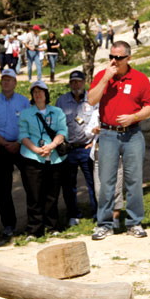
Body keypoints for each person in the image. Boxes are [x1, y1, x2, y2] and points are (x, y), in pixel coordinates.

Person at [88, 41, 150, 240]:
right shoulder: (103, 76)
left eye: (118, 57)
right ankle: (105, 224)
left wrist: (134, 117)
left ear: (128, 58)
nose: (114, 61)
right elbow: (91, 100)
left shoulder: (139, 78)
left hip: (132, 133)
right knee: (106, 181)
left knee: (133, 180)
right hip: (108, 134)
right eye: (111, 57)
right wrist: (105, 79)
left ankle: (134, 222)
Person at [18, 81, 69, 237]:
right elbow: (22, 135)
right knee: (34, 195)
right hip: (33, 157)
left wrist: (51, 146)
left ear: (46, 94)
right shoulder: (26, 113)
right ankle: (34, 230)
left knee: (52, 194)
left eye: (41, 91)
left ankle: (52, 226)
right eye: (35, 92)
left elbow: (62, 131)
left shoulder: (57, 112)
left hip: (54, 158)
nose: (38, 94)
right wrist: (36, 149)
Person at [0, 69, 31, 237]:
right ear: (0, 83)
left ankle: (33, 222)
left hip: (22, 146)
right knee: (2, 189)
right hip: (1, 148)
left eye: (9, 80)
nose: (6, 83)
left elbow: (28, 124)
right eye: (3, 80)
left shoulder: (24, 102)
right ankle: (8, 225)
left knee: (30, 183)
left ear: (15, 83)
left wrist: (18, 142)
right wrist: (5, 143)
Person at [56, 71, 98, 224]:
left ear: (84, 82)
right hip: (69, 149)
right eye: (73, 82)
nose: (76, 85)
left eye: (79, 82)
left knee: (92, 182)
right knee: (68, 184)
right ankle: (74, 214)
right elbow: (56, 124)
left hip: (87, 147)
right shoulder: (61, 101)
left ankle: (97, 213)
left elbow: (99, 121)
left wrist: (94, 142)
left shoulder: (92, 99)